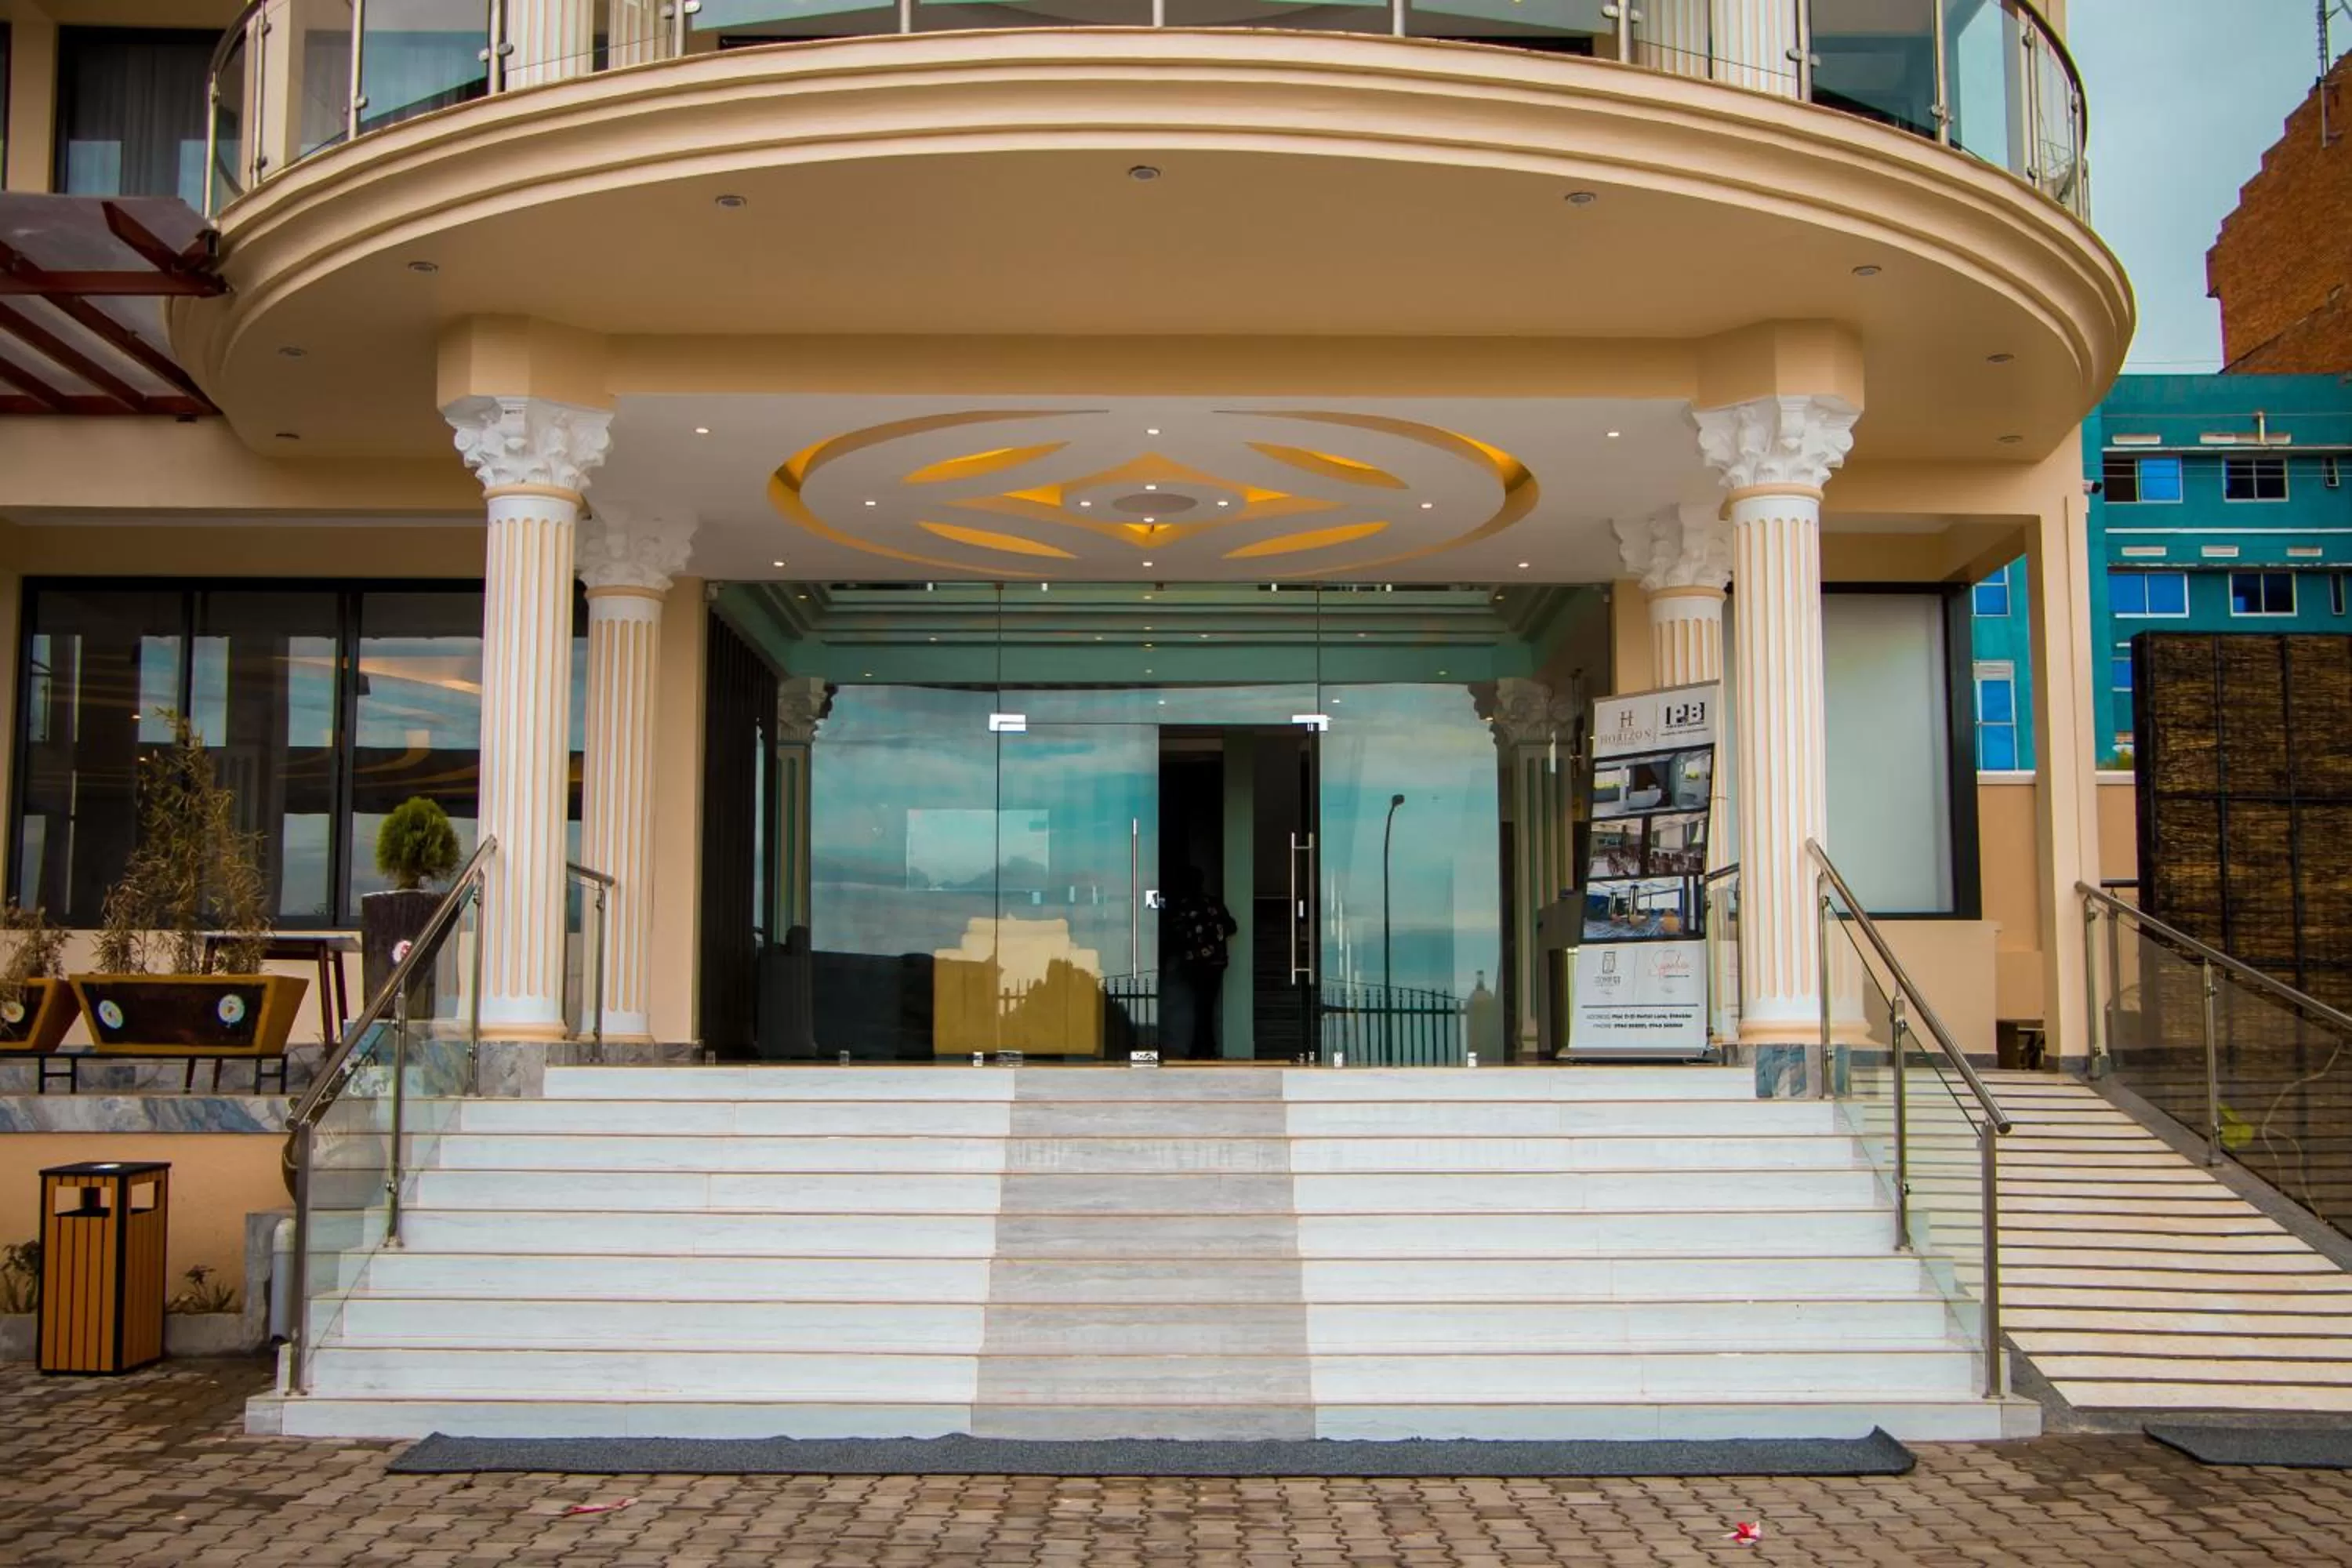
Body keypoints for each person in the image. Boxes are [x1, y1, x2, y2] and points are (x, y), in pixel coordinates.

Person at [1160, 864, 1237, 1059]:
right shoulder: (1214, 904)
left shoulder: (1183, 907)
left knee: (1199, 1006)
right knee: (1206, 1006)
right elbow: (1231, 927)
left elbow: (1174, 935)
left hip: (1195, 964)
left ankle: (1200, 1048)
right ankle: (1205, 1047)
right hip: (1215, 963)